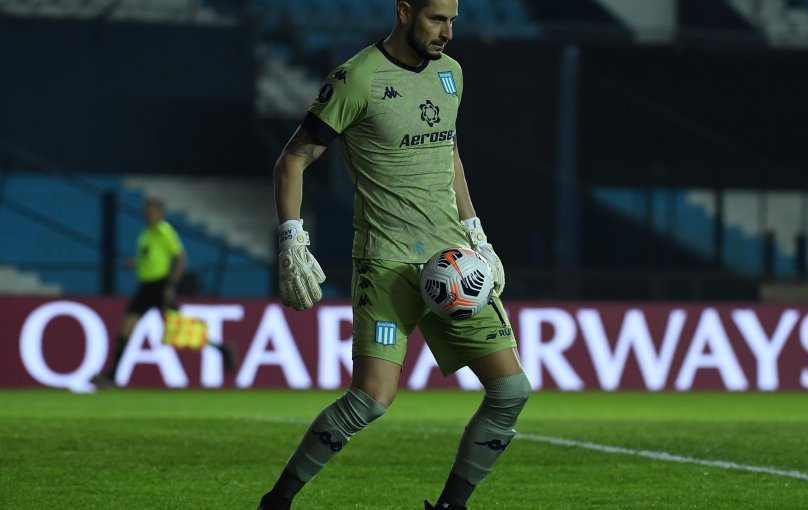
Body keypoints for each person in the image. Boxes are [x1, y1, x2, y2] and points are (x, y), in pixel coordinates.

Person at [258, 1, 530, 508]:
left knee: (511, 392)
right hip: (386, 265)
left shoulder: (452, 75)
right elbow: (292, 160)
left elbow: (448, 154)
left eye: (453, 20)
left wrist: (477, 234)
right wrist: (292, 239)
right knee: (370, 400)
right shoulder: (357, 78)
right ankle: (278, 500)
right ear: (405, 12)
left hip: (455, 265)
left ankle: (450, 507)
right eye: (436, 19)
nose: (447, 32)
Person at [92, 197, 234, 387]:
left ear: (160, 213)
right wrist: (134, 263)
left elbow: (181, 259)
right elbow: (151, 258)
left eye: (151, 210)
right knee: (125, 328)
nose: (147, 213)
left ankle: (221, 349)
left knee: (179, 331)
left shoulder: (164, 231)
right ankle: (113, 376)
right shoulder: (146, 233)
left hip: (161, 287)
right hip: (145, 288)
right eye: (146, 210)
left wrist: (171, 286)